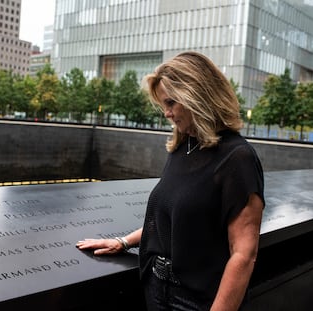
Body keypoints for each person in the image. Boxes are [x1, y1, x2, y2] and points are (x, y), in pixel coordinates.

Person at [76, 51, 265, 311]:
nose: (166, 113)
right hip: (156, 290)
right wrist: (123, 242)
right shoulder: (183, 148)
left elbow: (244, 255)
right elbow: (173, 221)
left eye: (171, 103)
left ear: (197, 96)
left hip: (196, 302)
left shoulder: (237, 158)